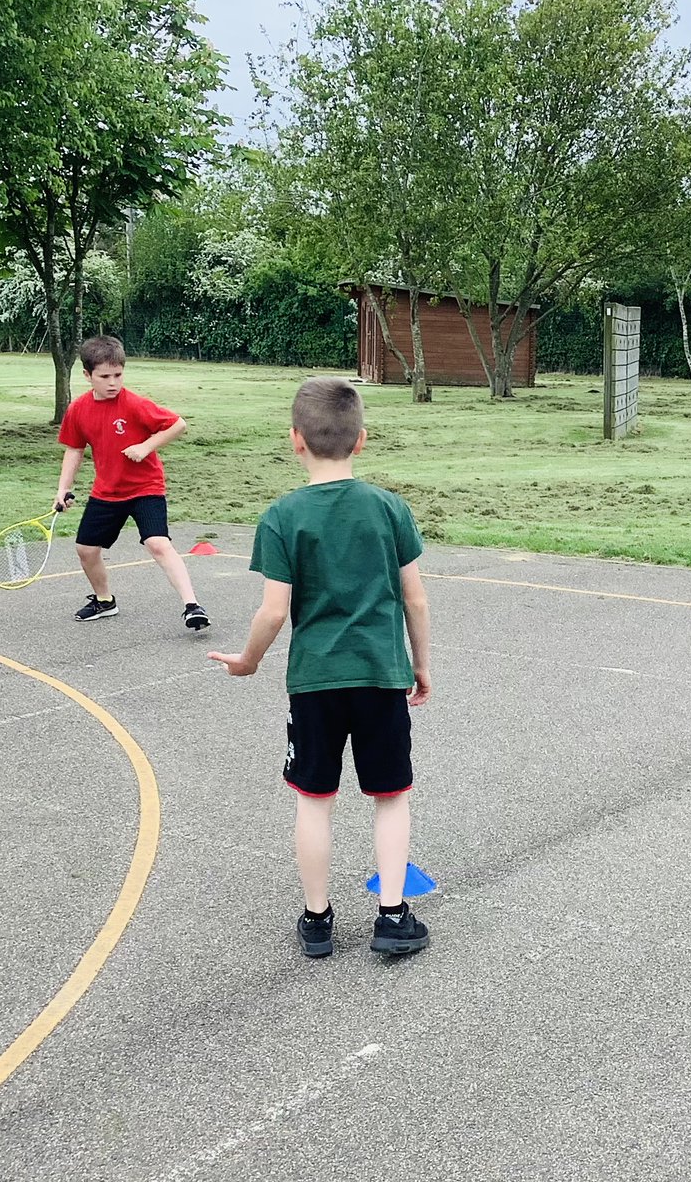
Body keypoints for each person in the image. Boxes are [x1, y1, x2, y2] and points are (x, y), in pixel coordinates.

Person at [208, 376, 432, 958]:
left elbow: (273, 610)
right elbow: (415, 599)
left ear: (295, 441)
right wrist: (420, 665)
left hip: (315, 680)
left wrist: (247, 661)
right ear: (361, 440)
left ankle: (317, 919)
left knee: (314, 797)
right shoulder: (389, 508)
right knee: (390, 795)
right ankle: (391, 914)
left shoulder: (282, 516)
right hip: (382, 673)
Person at [55, 335, 210, 629]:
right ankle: (104, 601)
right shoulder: (78, 409)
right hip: (107, 491)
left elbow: (178, 424)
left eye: (118, 375)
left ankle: (192, 606)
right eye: (104, 376)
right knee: (86, 550)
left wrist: (146, 446)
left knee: (157, 543)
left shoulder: (134, 404)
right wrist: (63, 489)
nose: (113, 382)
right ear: (87, 376)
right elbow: (74, 449)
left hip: (145, 488)